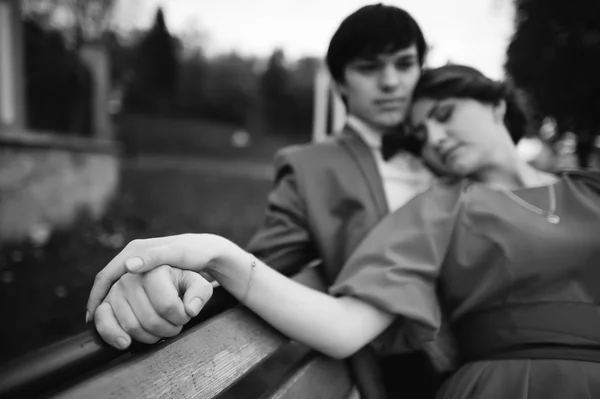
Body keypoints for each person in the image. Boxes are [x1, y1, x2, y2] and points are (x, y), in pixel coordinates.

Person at [87, 64, 600, 398]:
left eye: (445, 116)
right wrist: (216, 254)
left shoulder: (589, 190)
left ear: (497, 105)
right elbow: (343, 327)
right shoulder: (441, 207)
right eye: (422, 134)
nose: (436, 139)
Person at [86, 4, 440, 399]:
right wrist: (179, 274)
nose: (390, 81)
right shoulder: (310, 168)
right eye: (370, 67)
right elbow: (267, 262)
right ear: (341, 81)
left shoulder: (447, 154)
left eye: (405, 64)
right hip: (402, 370)